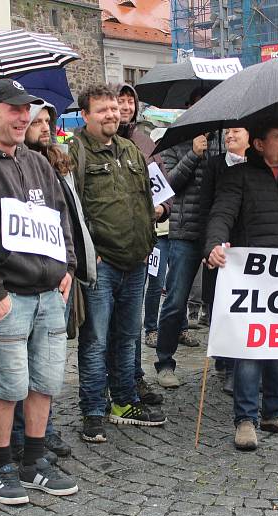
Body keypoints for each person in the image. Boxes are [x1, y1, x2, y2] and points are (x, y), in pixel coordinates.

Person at [0, 79, 78, 505]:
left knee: (44, 382)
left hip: (49, 294)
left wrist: (68, 267)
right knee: (9, 386)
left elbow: (61, 219)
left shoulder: (37, 162)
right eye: (14, 110)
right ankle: (2, 465)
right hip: (9, 299)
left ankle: (35, 461)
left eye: (28, 111)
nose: (24, 117)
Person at [205, 116, 278, 451]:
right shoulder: (237, 176)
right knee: (251, 347)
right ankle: (245, 418)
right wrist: (214, 244)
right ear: (259, 144)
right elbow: (221, 214)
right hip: (253, 278)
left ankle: (274, 411)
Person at [67, 83, 166, 443]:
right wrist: (85, 252)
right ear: (86, 115)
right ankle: (93, 409)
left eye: (114, 108)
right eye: (103, 110)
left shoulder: (130, 150)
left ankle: (124, 401)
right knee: (95, 340)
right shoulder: (75, 152)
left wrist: (149, 239)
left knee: (127, 337)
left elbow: (145, 200)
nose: (112, 114)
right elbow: (70, 210)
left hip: (137, 259)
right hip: (101, 263)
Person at [12, 101, 93, 458]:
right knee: (18, 363)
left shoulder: (57, 162)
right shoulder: (14, 165)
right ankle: (21, 433)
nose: (44, 127)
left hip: (57, 272)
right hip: (24, 277)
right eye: (37, 121)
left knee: (47, 361)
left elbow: (67, 217)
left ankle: (46, 428)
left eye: (48, 121)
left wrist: (73, 264)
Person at [155, 88, 220, 387]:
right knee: (176, 300)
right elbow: (171, 185)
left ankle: (225, 364)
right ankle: (165, 362)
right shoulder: (176, 140)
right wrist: (193, 154)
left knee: (219, 302)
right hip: (185, 232)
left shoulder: (223, 138)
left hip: (218, 233)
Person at [112, 83, 167, 406]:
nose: (125, 106)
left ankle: (134, 378)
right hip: (111, 246)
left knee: (131, 321)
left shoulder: (144, 141)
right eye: (119, 101)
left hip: (142, 240)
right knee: (110, 326)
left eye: (129, 101)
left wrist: (162, 208)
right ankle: (114, 382)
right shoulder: (98, 143)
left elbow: (163, 185)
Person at [200, 126, 250, 395]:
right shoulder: (215, 165)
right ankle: (229, 365)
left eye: (236, 131)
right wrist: (207, 249)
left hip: (248, 245)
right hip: (221, 244)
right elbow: (206, 207)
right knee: (224, 307)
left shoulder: (257, 166)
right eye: (227, 132)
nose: (230, 136)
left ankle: (239, 364)